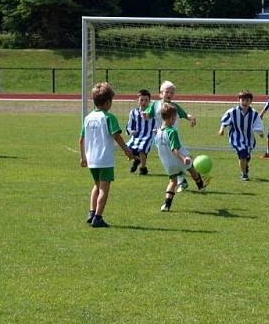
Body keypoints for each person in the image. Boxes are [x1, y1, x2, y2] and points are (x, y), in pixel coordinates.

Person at [79, 82, 134, 228]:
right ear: (108, 102)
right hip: (104, 159)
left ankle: (91, 213)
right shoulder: (109, 117)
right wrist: (127, 151)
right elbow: (117, 136)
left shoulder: (88, 118)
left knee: (96, 185)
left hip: (91, 158)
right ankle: (98, 217)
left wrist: (83, 157)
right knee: (104, 188)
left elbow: (81, 139)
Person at [144, 80, 199, 190]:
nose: (169, 94)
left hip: (173, 137)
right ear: (161, 93)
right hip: (160, 138)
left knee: (179, 157)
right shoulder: (155, 105)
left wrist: (191, 118)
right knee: (171, 160)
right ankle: (184, 180)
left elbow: (184, 115)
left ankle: (185, 180)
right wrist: (144, 115)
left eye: (172, 93)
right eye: (167, 92)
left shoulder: (174, 107)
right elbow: (147, 116)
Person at [155, 103, 208, 211]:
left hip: (167, 164)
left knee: (173, 182)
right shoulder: (172, 131)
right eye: (175, 118)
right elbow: (175, 149)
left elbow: (158, 145)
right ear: (172, 118)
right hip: (179, 159)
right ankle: (200, 185)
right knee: (191, 168)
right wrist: (183, 158)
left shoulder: (159, 132)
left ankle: (166, 205)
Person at [218, 90, 264, 181]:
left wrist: (260, 133)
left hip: (249, 139)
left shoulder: (254, 113)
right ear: (239, 100)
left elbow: (258, 124)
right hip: (236, 138)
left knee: (246, 156)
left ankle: (245, 165)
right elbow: (225, 121)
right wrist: (221, 129)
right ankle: (244, 174)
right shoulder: (232, 111)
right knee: (242, 153)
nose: (245, 102)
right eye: (243, 100)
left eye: (247, 100)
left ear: (251, 101)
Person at [125, 88, 155, 175]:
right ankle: (136, 160)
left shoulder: (153, 112)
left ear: (149, 101)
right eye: (141, 100)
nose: (144, 102)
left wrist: (157, 129)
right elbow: (130, 125)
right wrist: (131, 131)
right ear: (137, 101)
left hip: (148, 135)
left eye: (146, 100)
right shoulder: (133, 112)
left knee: (141, 150)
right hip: (137, 136)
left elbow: (158, 121)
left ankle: (143, 168)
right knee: (127, 150)